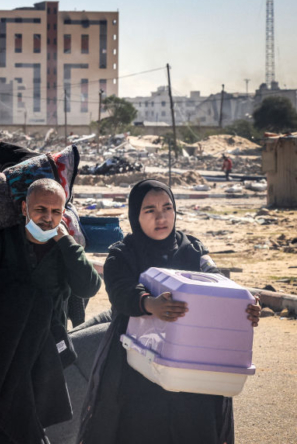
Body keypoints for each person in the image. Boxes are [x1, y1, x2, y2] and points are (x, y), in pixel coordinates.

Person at [78, 179, 262, 444]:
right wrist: (149, 304)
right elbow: (121, 292)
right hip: (138, 368)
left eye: (167, 208)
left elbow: (219, 285)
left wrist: (244, 308)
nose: (161, 217)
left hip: (194, 369)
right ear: (135, 216)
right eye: (149, 210)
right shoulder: (122, 254)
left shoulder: (194, 250)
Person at [0, 178, 102, 443]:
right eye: (40, 209)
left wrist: (67, 243)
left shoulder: (64, 249)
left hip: (42, 355)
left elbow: (89, 286)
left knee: (33, 425)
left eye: (56, 211)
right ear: (24, 208)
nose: (47, 218)